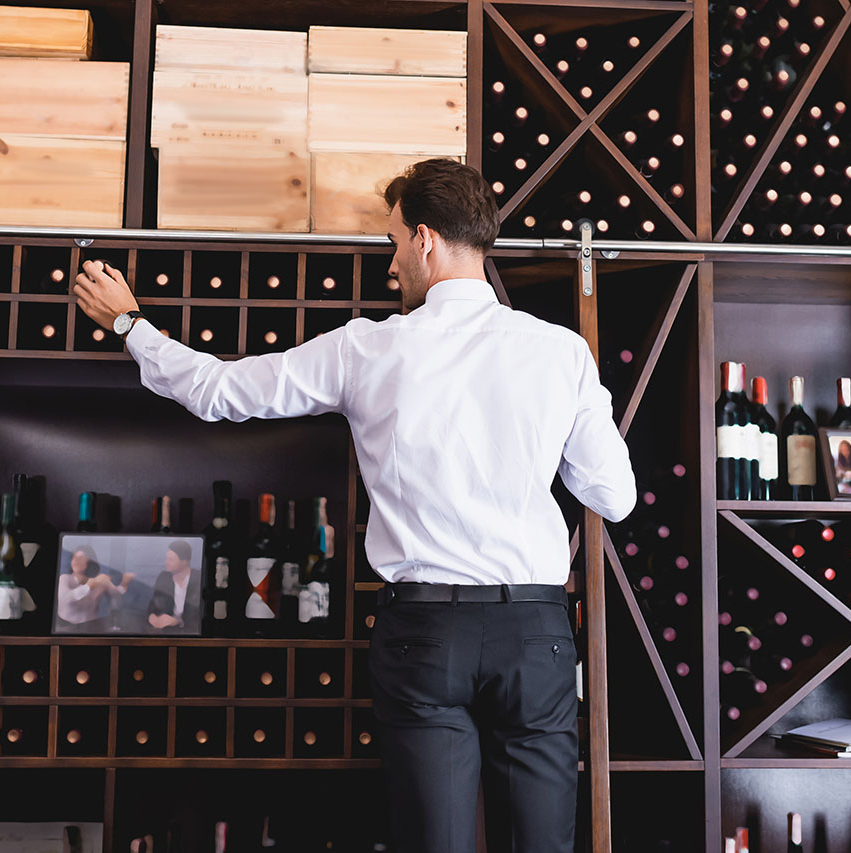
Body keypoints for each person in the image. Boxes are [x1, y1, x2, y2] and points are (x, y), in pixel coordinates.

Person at [74, 158, 635, 853]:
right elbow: (614, 495)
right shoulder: (561, 353)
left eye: (394, 242)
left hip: (424, 634)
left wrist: (131, 323)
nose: (392, 264)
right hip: (534, 631)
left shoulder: (366, 349)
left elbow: (221, 392)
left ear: (426, 238)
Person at [56, 544, 133, 628]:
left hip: (91, 627)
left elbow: (117, 593)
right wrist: (91, 584)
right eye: (74, 557)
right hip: (65, 626)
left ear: (90, 562)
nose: (76, 561)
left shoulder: (100, 579)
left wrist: (124, 582)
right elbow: (66, 599)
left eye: (81, 558)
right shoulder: (64, 579)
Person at [146, 539, 200, 631]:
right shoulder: (164, 577)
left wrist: (177, 622)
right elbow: (153, 607)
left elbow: (198, 618)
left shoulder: (198, 578)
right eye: (166, 558)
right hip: (167, 632)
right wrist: (152, 616)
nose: (166, 562)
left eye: (171, 559)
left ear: (185, 561)